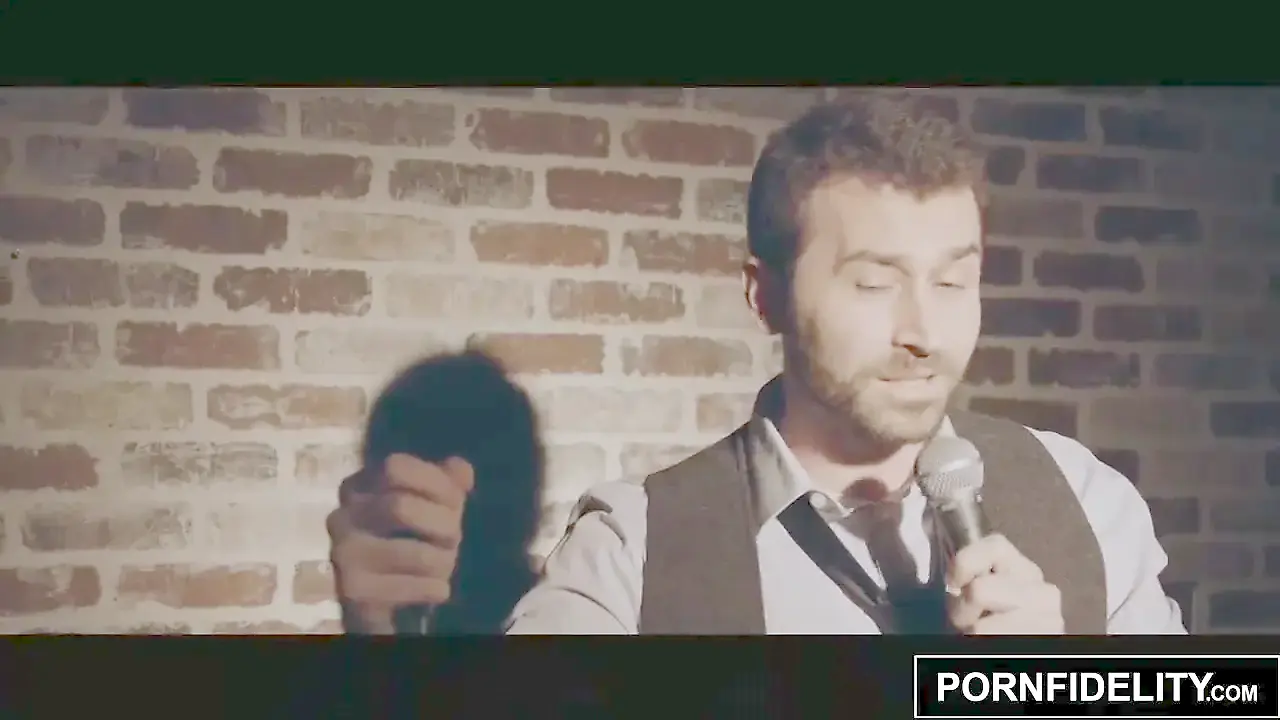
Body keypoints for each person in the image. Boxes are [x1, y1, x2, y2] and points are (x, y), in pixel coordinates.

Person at [327, 95, 1186, 635]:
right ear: (764, 295)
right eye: (874, 282)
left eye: (954, 280)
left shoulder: (1087, 500)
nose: (925, 330)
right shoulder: (632, 550)